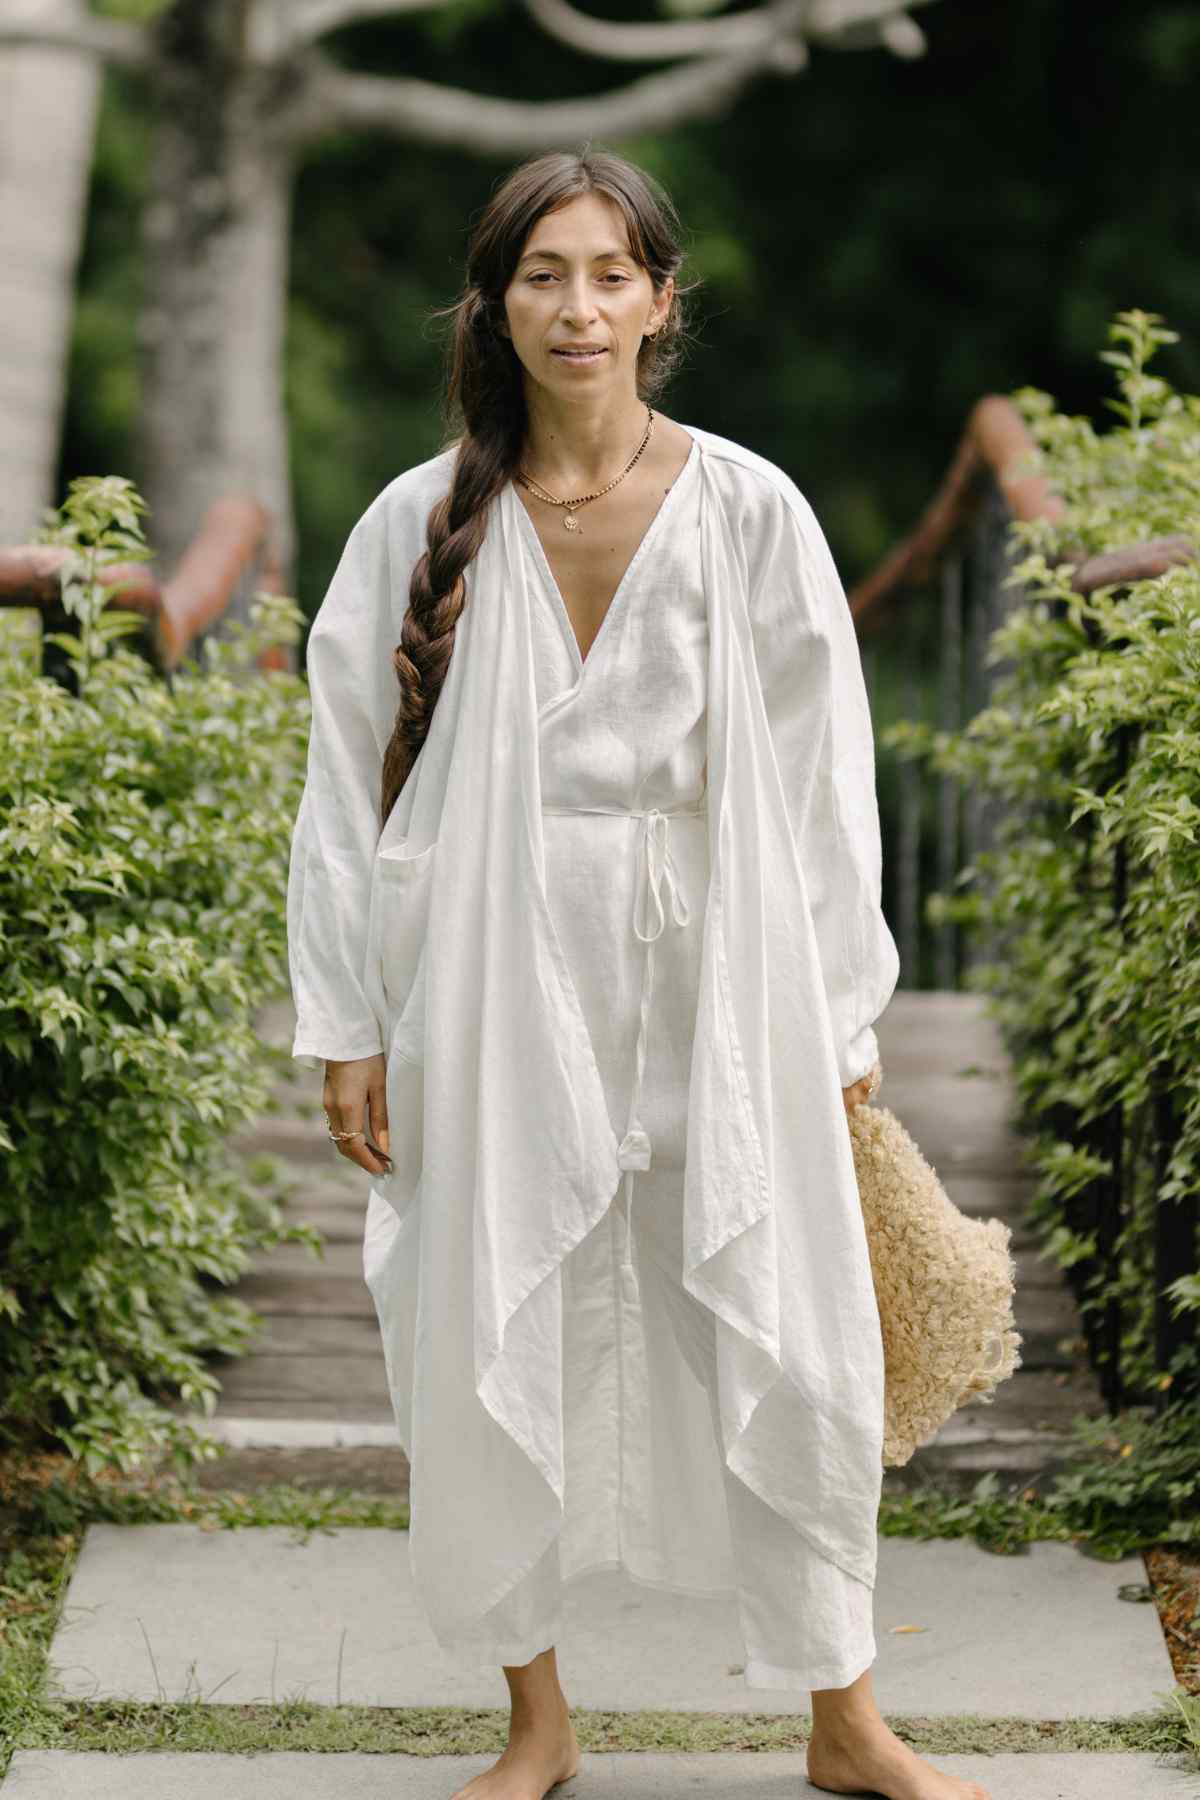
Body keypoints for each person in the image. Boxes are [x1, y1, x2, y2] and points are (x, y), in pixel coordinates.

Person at [287, 148, 990, 1800]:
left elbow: (826, 778)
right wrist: (347, 1022)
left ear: (662, 300)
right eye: (543, 272)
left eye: (611, 272)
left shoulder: (751, 508)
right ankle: (536, 1723)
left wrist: (839, 1013)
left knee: (793, 1323)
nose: (577, 305)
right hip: (479, 971)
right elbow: (340, 778)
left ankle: (845, 1721)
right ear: (497, 300)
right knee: (480, 1317)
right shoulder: (420, 521)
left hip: (720, 965)